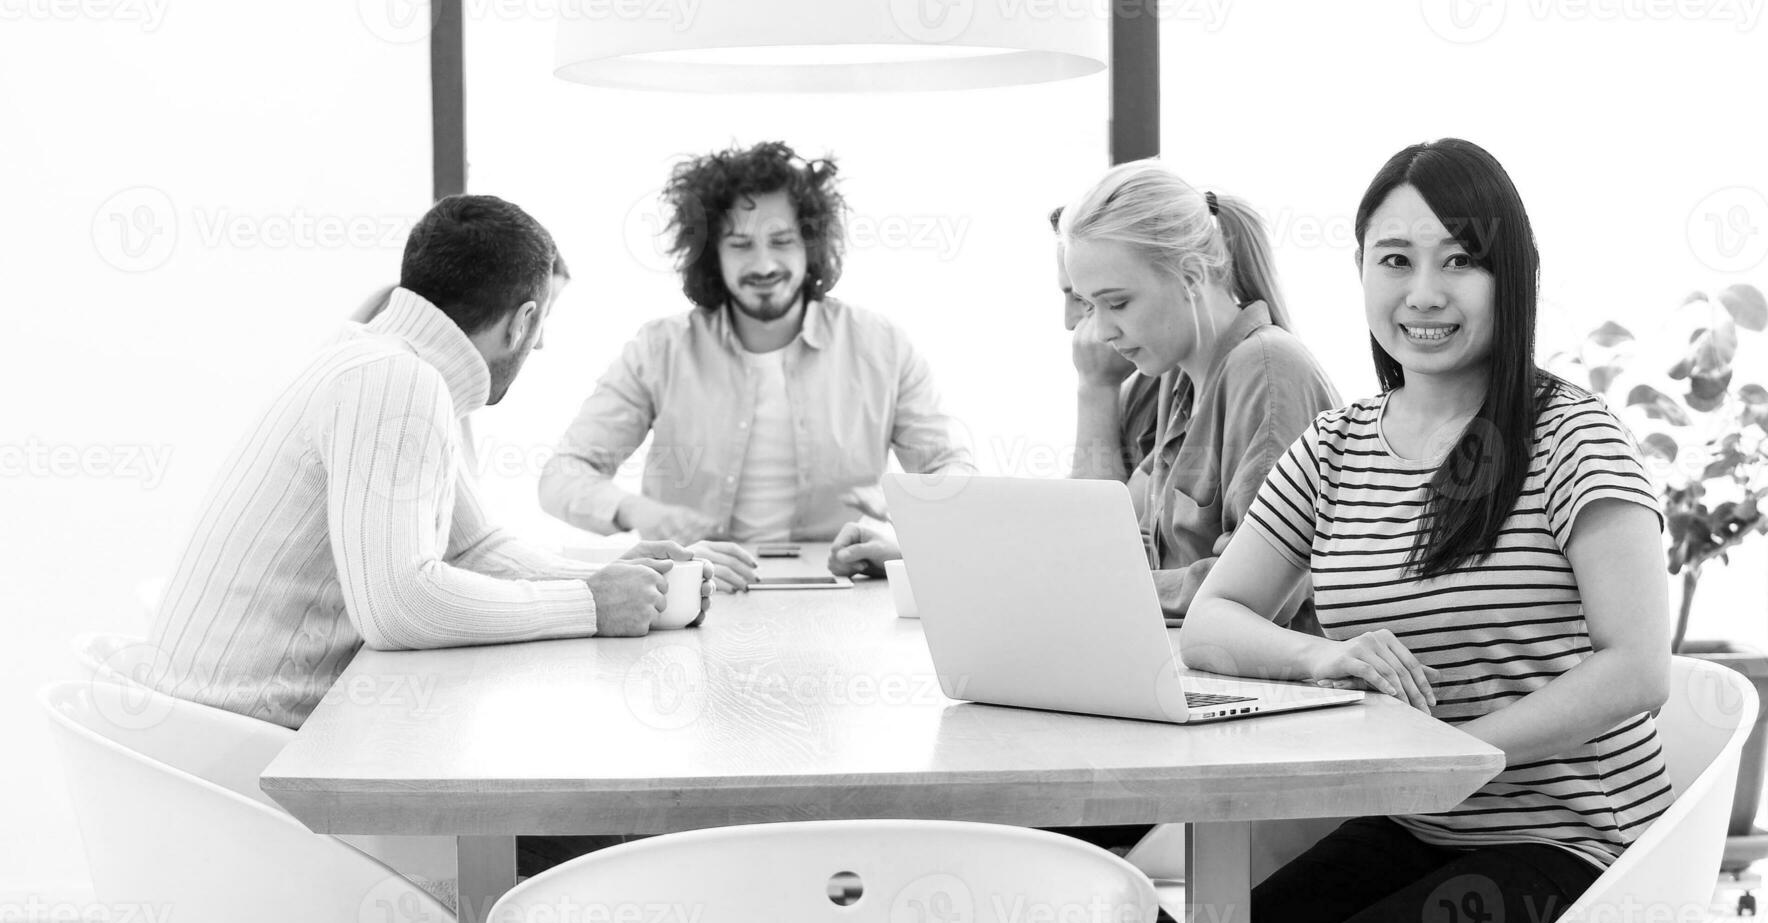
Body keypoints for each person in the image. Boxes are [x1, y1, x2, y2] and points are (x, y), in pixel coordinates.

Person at [1170, 138, 1675, 923]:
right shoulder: (1336, 448)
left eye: (1460, 262)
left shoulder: (1571, 435)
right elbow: (1212, 622)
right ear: (1363, 272)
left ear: (1508, 277)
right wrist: (1322, 655)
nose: (1424, 294)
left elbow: (1636, 669)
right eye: (1395, 260)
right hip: (1418, 823)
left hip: (1574, 840)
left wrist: (1456, 758)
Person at [144, 195, 710, 732]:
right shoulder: (394, 381)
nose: (538, 347)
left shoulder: (374, 361)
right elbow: (398, 609)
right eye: (542, 325)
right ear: (521, 321)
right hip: (243, 756)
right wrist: (590, 604)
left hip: (213, 739)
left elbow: (474, 548)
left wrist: (622, 579)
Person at [539, 142, 975, 589]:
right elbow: (563, 474)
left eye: (782, 241)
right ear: (711, 254)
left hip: (845, 593)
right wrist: (640, 512)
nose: (763, 264)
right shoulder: (659, 349)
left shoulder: (881, 346)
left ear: (811, 246)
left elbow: (954, 468)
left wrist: (914, 510)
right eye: (741, 244)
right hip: (698, 590)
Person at [1060, 161, 1340, 621]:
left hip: (1270, 685)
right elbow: (1097, 534)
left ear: (1191, 276)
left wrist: (1108, 588)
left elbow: (1267, 597)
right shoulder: (1178, 378)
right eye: (1091, 305)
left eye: (1118, 303)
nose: (1102, 330)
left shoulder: (1265, 373)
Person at [1055, 203, 1163, 481]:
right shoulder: (1134, 383)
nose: (1069, 322)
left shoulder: (1173, 381)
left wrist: (1096, 387)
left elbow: (1093, 519)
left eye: (1081, 300)